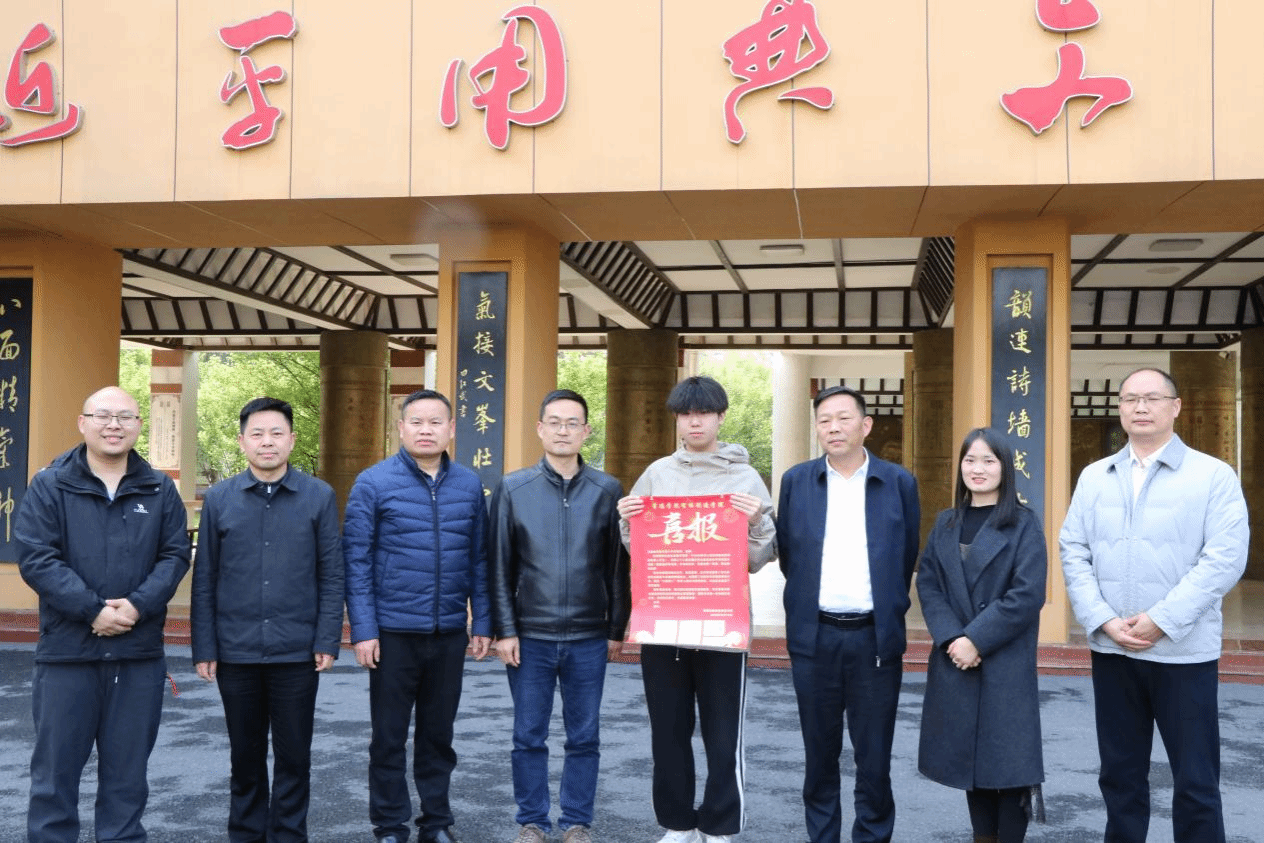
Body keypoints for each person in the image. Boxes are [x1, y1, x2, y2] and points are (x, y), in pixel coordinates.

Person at [1060, 367, 1248, 843]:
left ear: (1175, 407)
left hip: (1183, 654)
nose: (1140, 407)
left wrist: (1162, 620)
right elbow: (1073, 550)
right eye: (1130, 399)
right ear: (1120, 409)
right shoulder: (1095, 477)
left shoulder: (1213, 476)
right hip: (1114, 650)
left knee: (1196, 781)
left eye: (1152, 398)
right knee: (1119, 776)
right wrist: (1102, 619)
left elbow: (1225, 558)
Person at [15, 386, 191, 843]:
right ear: (83, 423)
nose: (114, 425)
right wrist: (92, 610)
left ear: (138, 426)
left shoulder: (159, 489)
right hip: (67, 655)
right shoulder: (50, 484)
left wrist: (137, 605)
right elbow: (36, 557)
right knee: (54, 780)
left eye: (125, 417)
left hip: (137, 656)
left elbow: (174, 555)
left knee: (127, 782)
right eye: (103, 415)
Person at [616, 375, 776, 843]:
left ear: (720, 417)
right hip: (664, 625)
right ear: (677, 420)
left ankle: (719, 824)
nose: (695, 422)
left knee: (723, 735)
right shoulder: (657, 473)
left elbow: (758, 557)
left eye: (704, 412)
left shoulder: (744, 478)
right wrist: (627, 521)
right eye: (686, 414)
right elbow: (641, 551)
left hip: (722, 626)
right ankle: (677, 823)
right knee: (668, 732)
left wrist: (757, 521)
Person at [191, 396, 344, 843]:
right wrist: (205, 646)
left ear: (292, 440)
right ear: (242, 442)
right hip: (235, 651)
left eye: (277, 433)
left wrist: (327, 638)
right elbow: (205, 577)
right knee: (245, 757)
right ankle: (246, 835)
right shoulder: (219, 499)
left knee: (295, 757)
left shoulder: (318, 496)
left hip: (297, 651)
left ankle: (289, 835)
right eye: (257, 434)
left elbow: (331, 574)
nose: (267, 442)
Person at [343, 388, 492, 843]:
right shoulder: (373, 482)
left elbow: (480, 558)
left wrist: (483, 621)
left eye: (435, 422)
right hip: (392, 633)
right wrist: (363, 629)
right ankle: (390, 826)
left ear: (451, 429)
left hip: (448, 632)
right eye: (417, 422)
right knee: (388, 737)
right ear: (401, 428)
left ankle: (436, 823)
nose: (426, 430)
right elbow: (356, 561)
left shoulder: (468, 485)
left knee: (438, 736)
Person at [776, 385, 919, 843]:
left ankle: (872, 836)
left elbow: (906, 555)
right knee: (819, 756)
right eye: (824, 420)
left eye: (843, 418)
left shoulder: (898, 482)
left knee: (874, 758)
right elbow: (789, 556)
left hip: (874, 639)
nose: (833, 428)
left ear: (866, 425)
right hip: (815, 637)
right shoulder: (797, 481)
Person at [489, 389, 630, 843]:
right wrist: (504, 629)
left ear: (586, 431)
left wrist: (616, 627)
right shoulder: (513, 488)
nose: (563, 430)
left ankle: (575, 822)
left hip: (589, 635)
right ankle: (532, 821)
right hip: (530, 635)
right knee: (528, 735)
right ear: (540, 429)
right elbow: (499, 565)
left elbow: (617, 566)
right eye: (554, 422)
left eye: (572, 423)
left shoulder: (608, 490)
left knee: (584, 736)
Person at [916, 428, 1046, 843]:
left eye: (989, 460)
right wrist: (953, 638)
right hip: (957, 657)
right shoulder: (946, 522)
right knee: (971, 766)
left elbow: (1027, 594)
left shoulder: (1023, 523)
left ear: (1005, 468)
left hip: (1003, 660)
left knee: (1008, 768)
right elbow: (929, 584)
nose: (978, 469)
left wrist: (976, 639)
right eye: (970, 460)